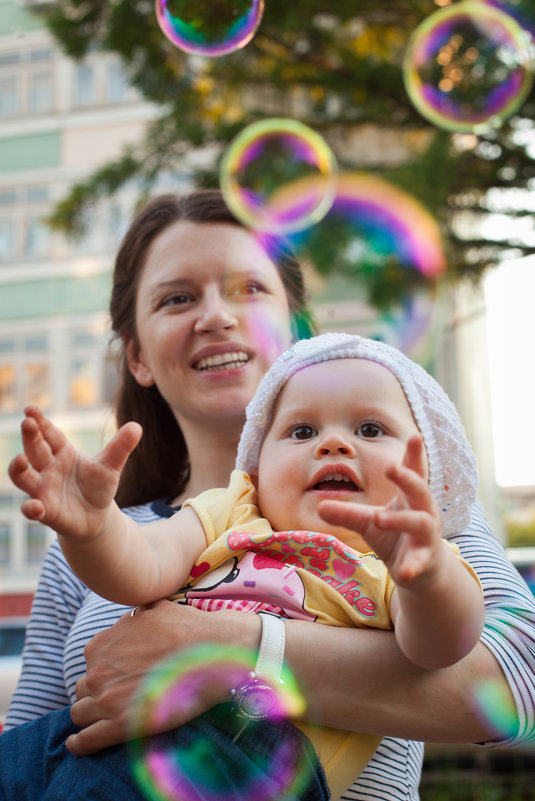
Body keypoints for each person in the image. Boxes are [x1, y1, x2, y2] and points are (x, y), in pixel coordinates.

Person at [2, 189, 535, 801]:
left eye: (249, 290)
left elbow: (516, 686)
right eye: (178, 298)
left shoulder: (411, 518)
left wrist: (224, 649)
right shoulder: (200, 517)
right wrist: (93, 528)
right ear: (138, 356)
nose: (215, 316)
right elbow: (29, 738)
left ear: (295, 330)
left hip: (252, 761)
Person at [5, 333, 486, 798]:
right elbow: (142, 567)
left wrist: (425, 579)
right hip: (102, 726)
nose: (333, 443)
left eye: (370, 429)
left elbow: (439, 650)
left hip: (245, 755)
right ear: (257, 466)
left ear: (427, 472)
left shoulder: (398, 565)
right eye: (302, 431)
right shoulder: (232, 510)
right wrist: (93, 529)